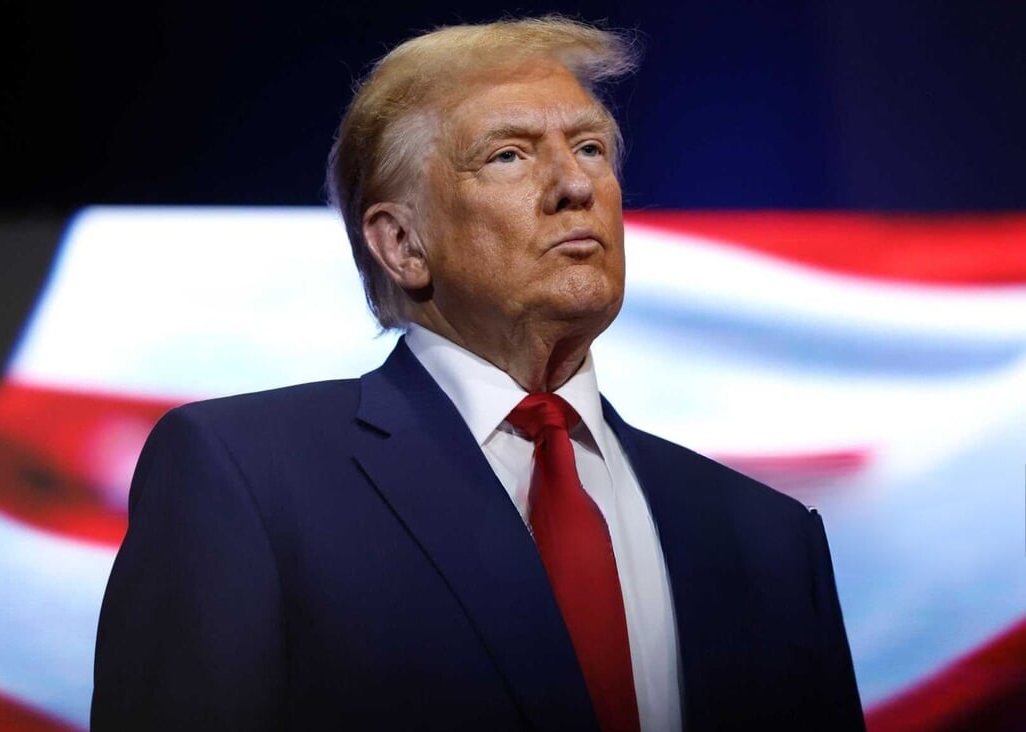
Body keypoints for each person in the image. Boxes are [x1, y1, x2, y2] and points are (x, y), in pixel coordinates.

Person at [92, 16, 865, 732]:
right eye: (509, 155)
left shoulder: (769, 540)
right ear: (401, 244)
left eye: (591, 148)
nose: (575, 185)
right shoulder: (249, 478)